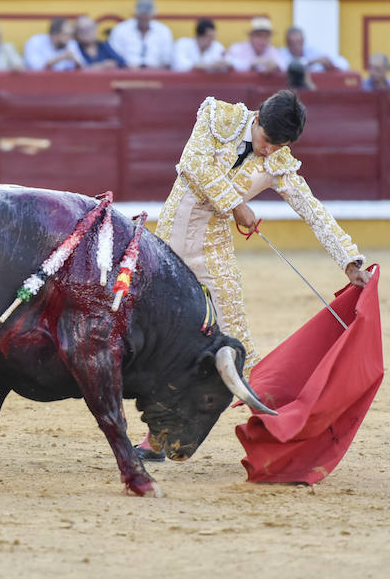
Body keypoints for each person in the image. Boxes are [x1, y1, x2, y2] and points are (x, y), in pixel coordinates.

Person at [136, 90, 370, 460]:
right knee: (159, 338)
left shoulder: (279, 162)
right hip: (167, 242)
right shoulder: (219, 116)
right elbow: (193, 164)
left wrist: (349, 261)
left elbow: (312, 210)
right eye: (267, 140)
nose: (268, 150)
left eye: (279, 146)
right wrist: (236, 205)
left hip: (213, 247)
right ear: (257, 118)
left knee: (236, 341)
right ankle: (152, 433)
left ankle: (279, 433)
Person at [108, 0, 174, 70]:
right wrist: (126, 67)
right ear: (135, 14)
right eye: (141, 14)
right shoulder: (121, 29)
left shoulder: (163, 31)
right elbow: (114, 56)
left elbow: (168, 60)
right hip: (126, 72)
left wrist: (156, 69)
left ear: (153, 15)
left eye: (147, 14)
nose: (144, 17)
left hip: (156, 72)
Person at [278, 26, 350, 73]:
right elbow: (288, 68)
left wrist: (329, 64)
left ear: (303, 41)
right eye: (292, 43)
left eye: (299, 42)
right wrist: (310, 63)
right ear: (287, 44)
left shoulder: (312, 51)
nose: (296, 46)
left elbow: (344, 64)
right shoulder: (282, 53)